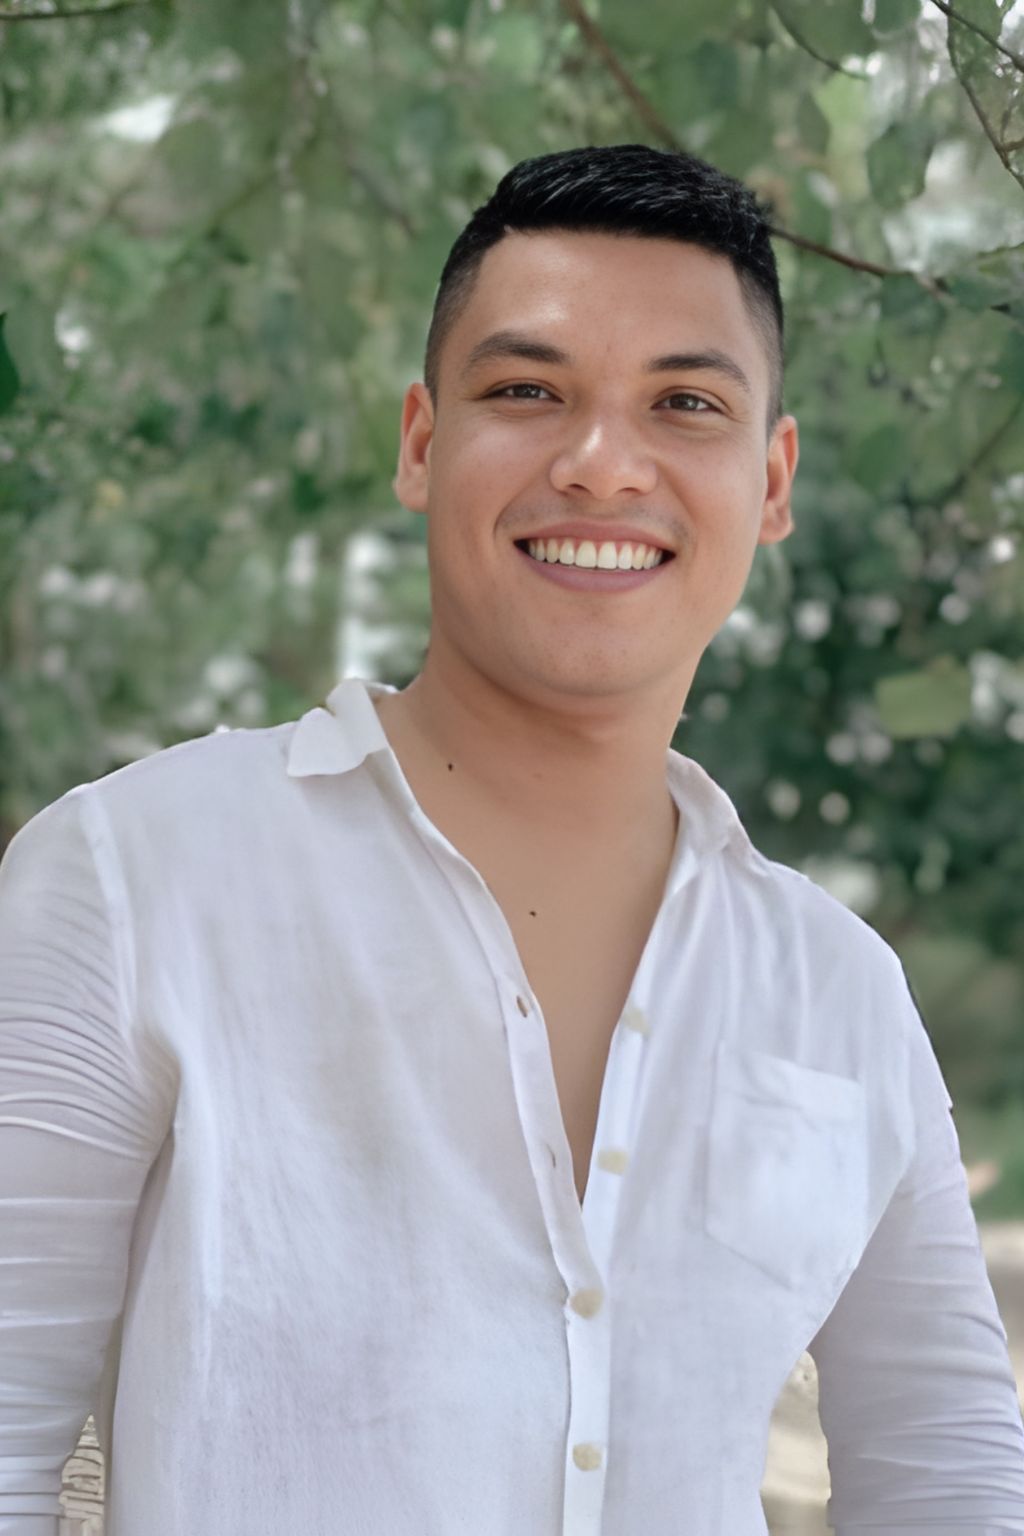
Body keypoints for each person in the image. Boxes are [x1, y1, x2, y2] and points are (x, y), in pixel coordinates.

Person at [1, 143, 1022, 1536]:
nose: (602, 465)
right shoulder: (134, 882)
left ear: (772, 481)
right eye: (528, 391)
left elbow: (951, 1477)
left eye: (686, 403)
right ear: (423, 444)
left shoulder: (840, 993)